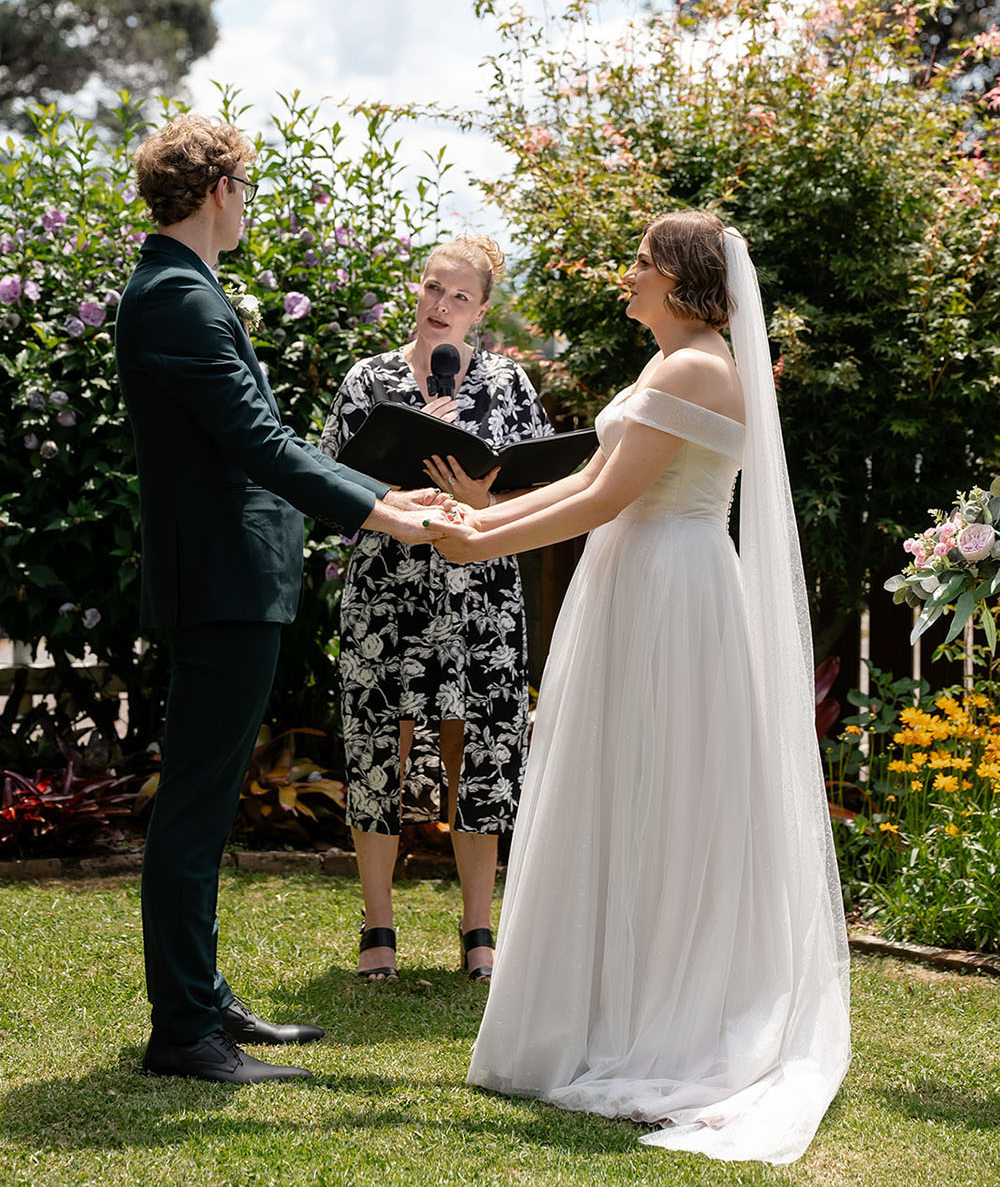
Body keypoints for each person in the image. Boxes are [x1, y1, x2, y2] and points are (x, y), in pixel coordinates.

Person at [434, 210, 851, 1165]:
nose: (627, 277)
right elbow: (591, 474)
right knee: (624, 786)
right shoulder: (671, 367)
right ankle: (609, 1002)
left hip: (671, 588)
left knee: (661, 789)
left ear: (682, 278)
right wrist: (484, 510)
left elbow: (605, 500)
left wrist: (476, 544)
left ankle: (663, 1015)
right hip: (643, 578)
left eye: (640, 263)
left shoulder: (699, 366)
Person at [114, 115, 457, 1085]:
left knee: (207, 804)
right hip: (221, 584)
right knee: (192, 810)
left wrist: (389, 496)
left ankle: (202, 995)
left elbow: (263, 436)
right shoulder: (178, 298)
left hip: (232, 581)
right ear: (218, 189)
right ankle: (182, 1032)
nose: (249, 203)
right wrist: (395, 522)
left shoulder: (187, 292)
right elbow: (259, 448)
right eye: (247, 186)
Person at [320, 235, 553, 982]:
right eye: (431, 290)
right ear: (415, 293)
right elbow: (329, 487)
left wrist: (487, 501)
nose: (440, 307)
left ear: (481, 312)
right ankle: (378, 926)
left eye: (459, 297)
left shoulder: (510, 386)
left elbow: (542, 487)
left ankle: (478, 929)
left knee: (477, 749)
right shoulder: (369, 379)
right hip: (386, 595)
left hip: (479, 598)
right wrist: (404, 445)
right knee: (377, 748)